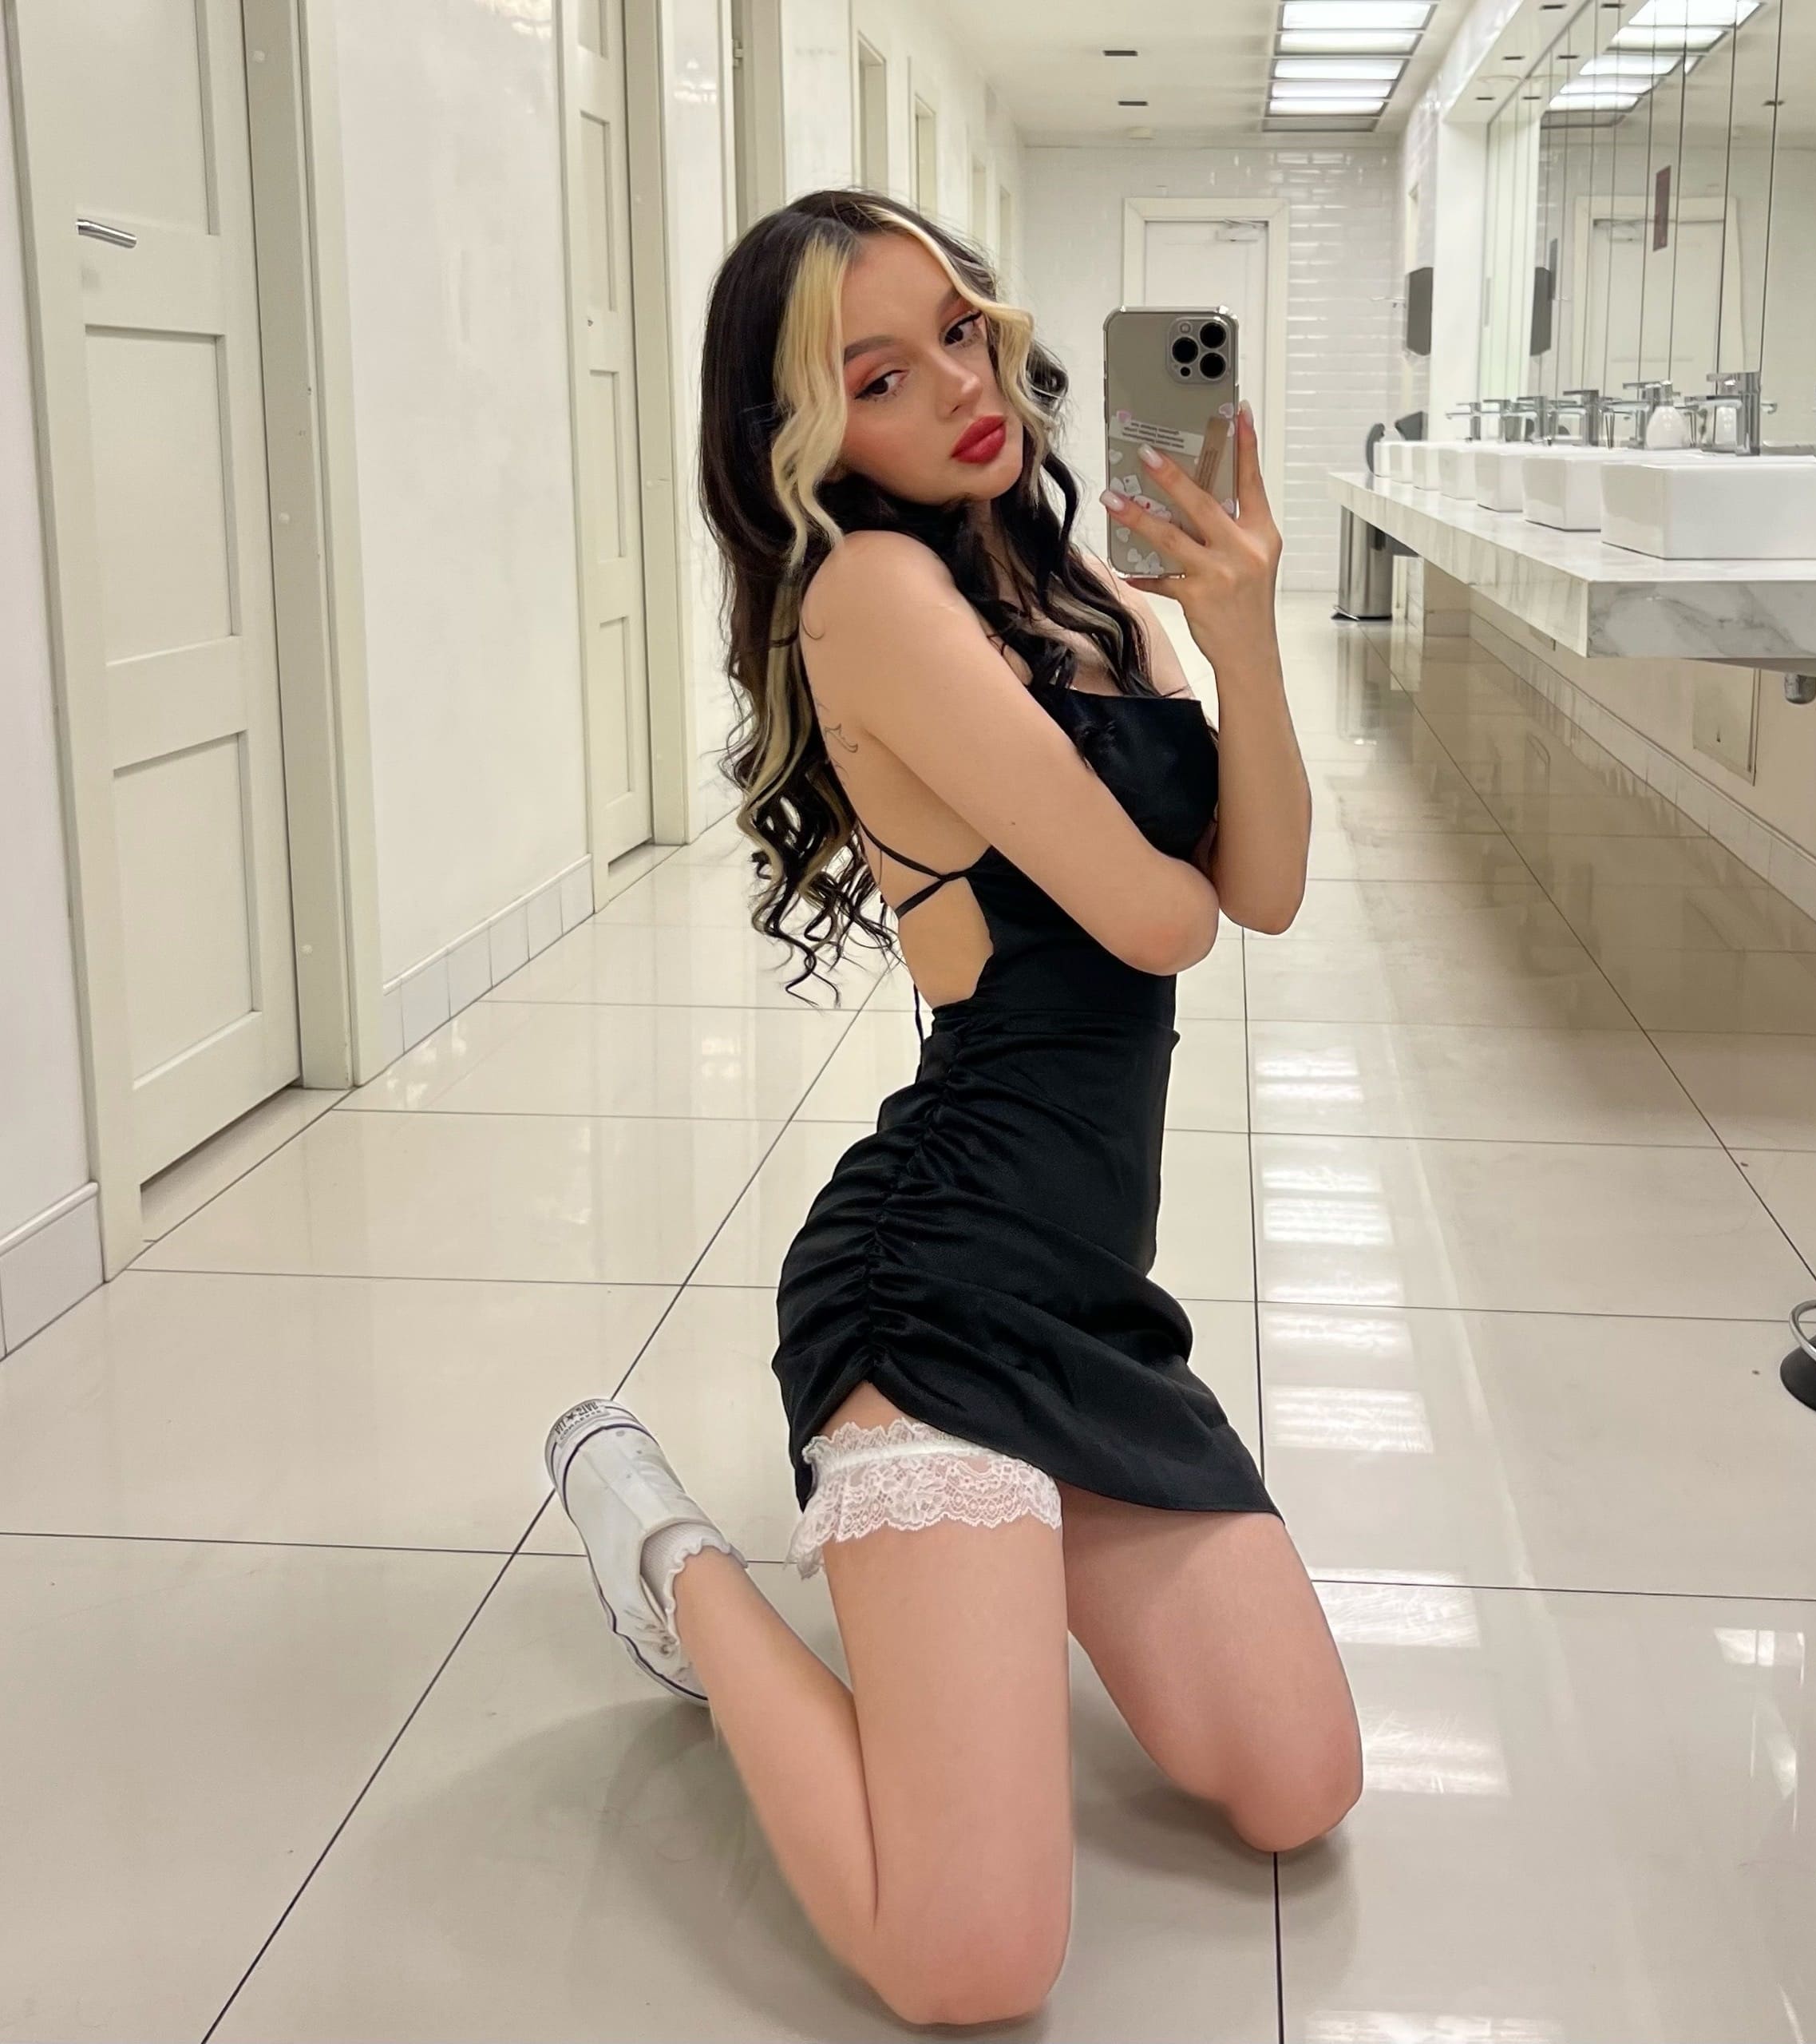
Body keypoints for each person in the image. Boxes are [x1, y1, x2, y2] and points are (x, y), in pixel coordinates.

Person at [544, 188, 1360, 2029]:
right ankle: (662, 1543)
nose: (960, 389)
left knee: (1294, 1780)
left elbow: (1267, 885)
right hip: (938, 1285)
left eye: (961, 332)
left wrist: (1237, 636)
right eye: (879, 377)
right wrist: (1186, 723)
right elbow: (1165, 917)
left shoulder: (1076, 584)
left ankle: (985, 1561)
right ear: (805, 436)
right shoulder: (871, 594)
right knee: (968, 1958)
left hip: (1082, 1294)